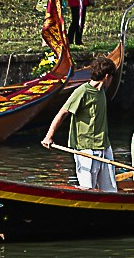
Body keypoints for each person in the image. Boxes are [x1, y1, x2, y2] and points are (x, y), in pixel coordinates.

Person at [42, 54, 117, 191]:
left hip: (104, 145)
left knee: (110, 189)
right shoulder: (82, 92)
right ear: (107, 76)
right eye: (112, 76)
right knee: (87, 188)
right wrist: (49, 136)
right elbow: (63, 113)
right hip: (86, 148)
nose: (112, 80)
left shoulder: (101, 91)